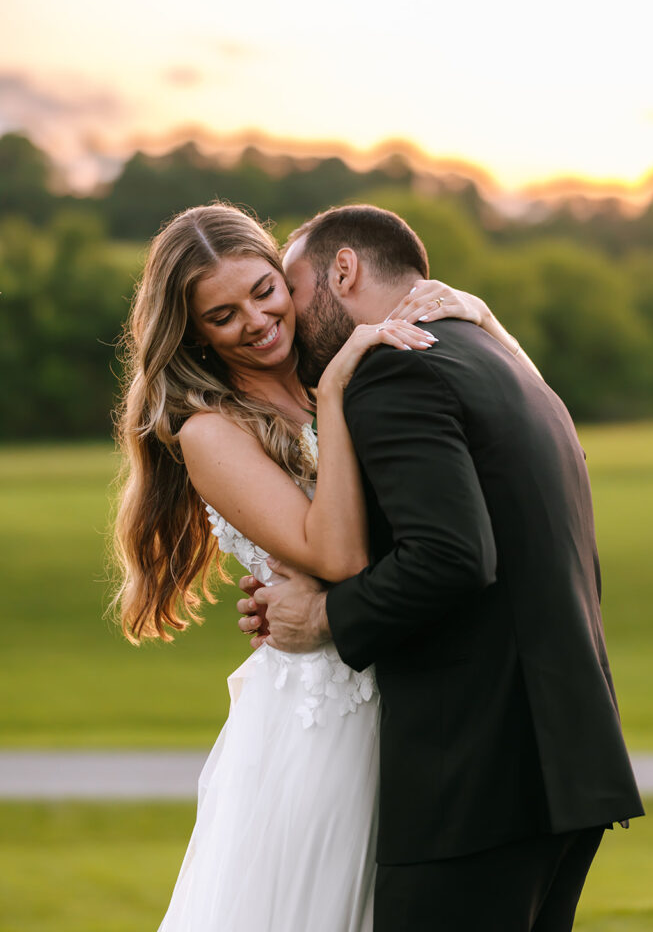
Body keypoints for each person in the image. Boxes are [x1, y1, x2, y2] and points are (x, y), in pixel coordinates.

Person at [111, 202, 532, 931]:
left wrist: (487, 323)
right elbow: (338, 554)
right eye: (221, 315)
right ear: (193, 334)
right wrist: (335, 391)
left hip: (411, 689)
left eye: (263, 291)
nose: (254, 320)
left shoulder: (333, 362)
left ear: (287, 278)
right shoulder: (212, 431)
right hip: (321, 717)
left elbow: (532, 446)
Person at [237, 204, 645, 932]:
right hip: (564, 764)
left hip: (475, 782)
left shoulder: (393, 371)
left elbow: (452, 556)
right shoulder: (501, 363)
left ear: (343, 270)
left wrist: (321, 616)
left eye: (292, 289)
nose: (289, 318)